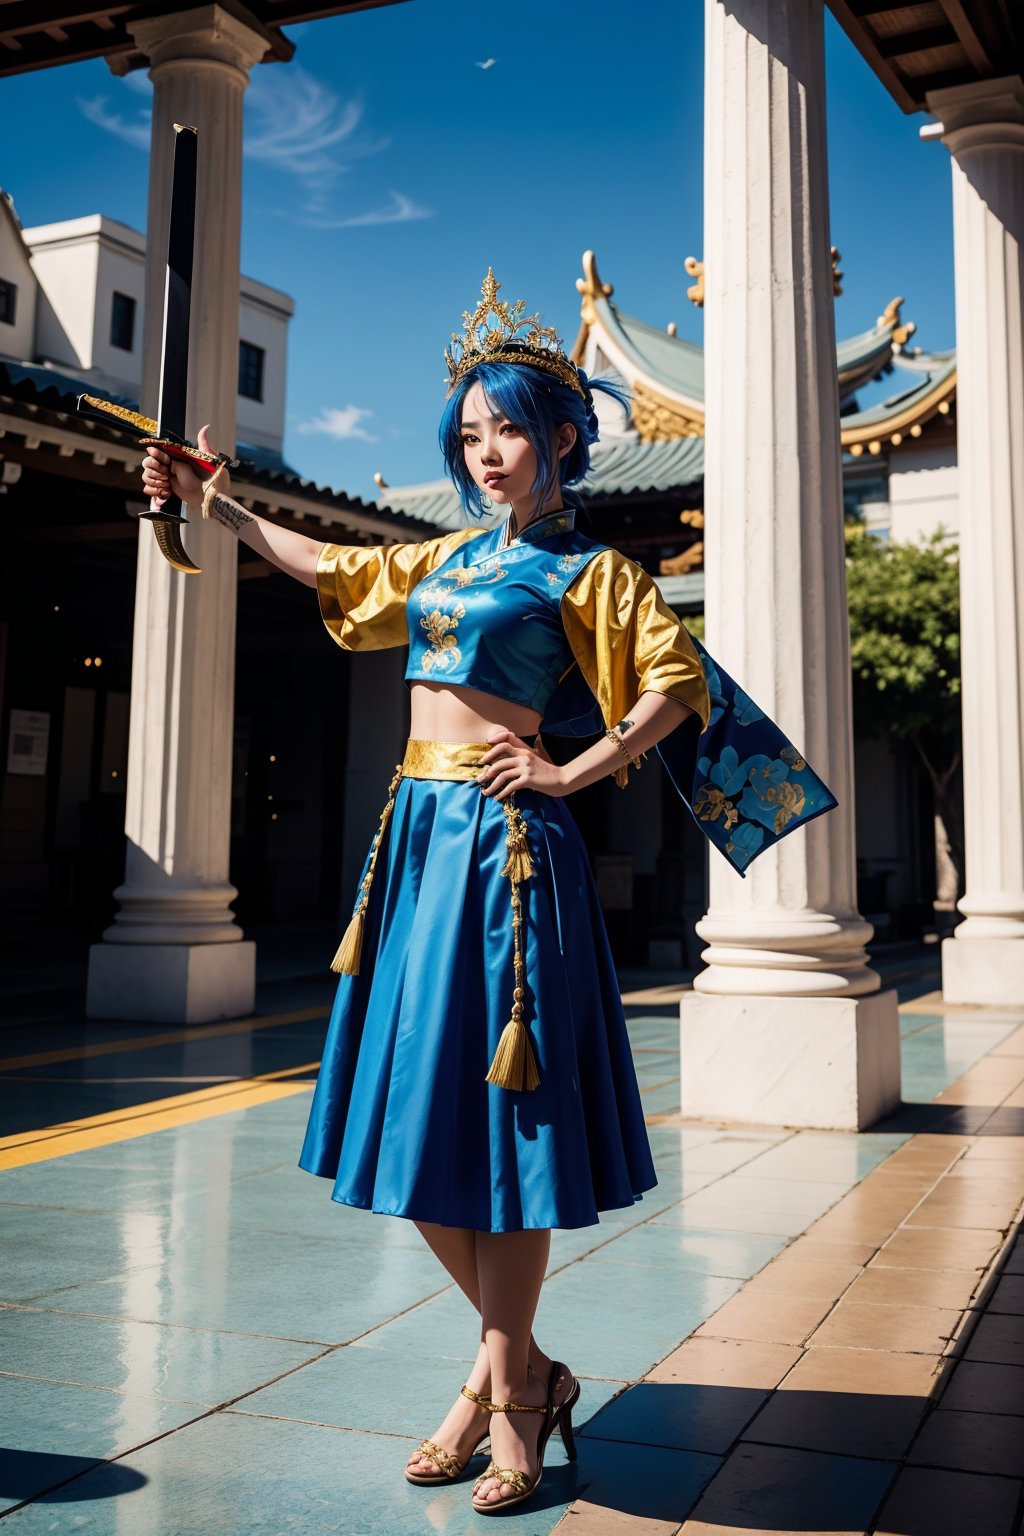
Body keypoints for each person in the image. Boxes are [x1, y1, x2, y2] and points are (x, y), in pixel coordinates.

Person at [140, 270, 832, 1515]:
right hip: (415, 840)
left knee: (505, 1137)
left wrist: (572, 768)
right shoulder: (447, 557)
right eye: (468, 435)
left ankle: (499, 1399)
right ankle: (527, 1372)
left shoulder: (591, 571)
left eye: (505, 429)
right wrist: (222, 504)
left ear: (563, 438)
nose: (485, 452)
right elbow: (328, 567)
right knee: (413, 1124)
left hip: (511, 849)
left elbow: (670, 681)